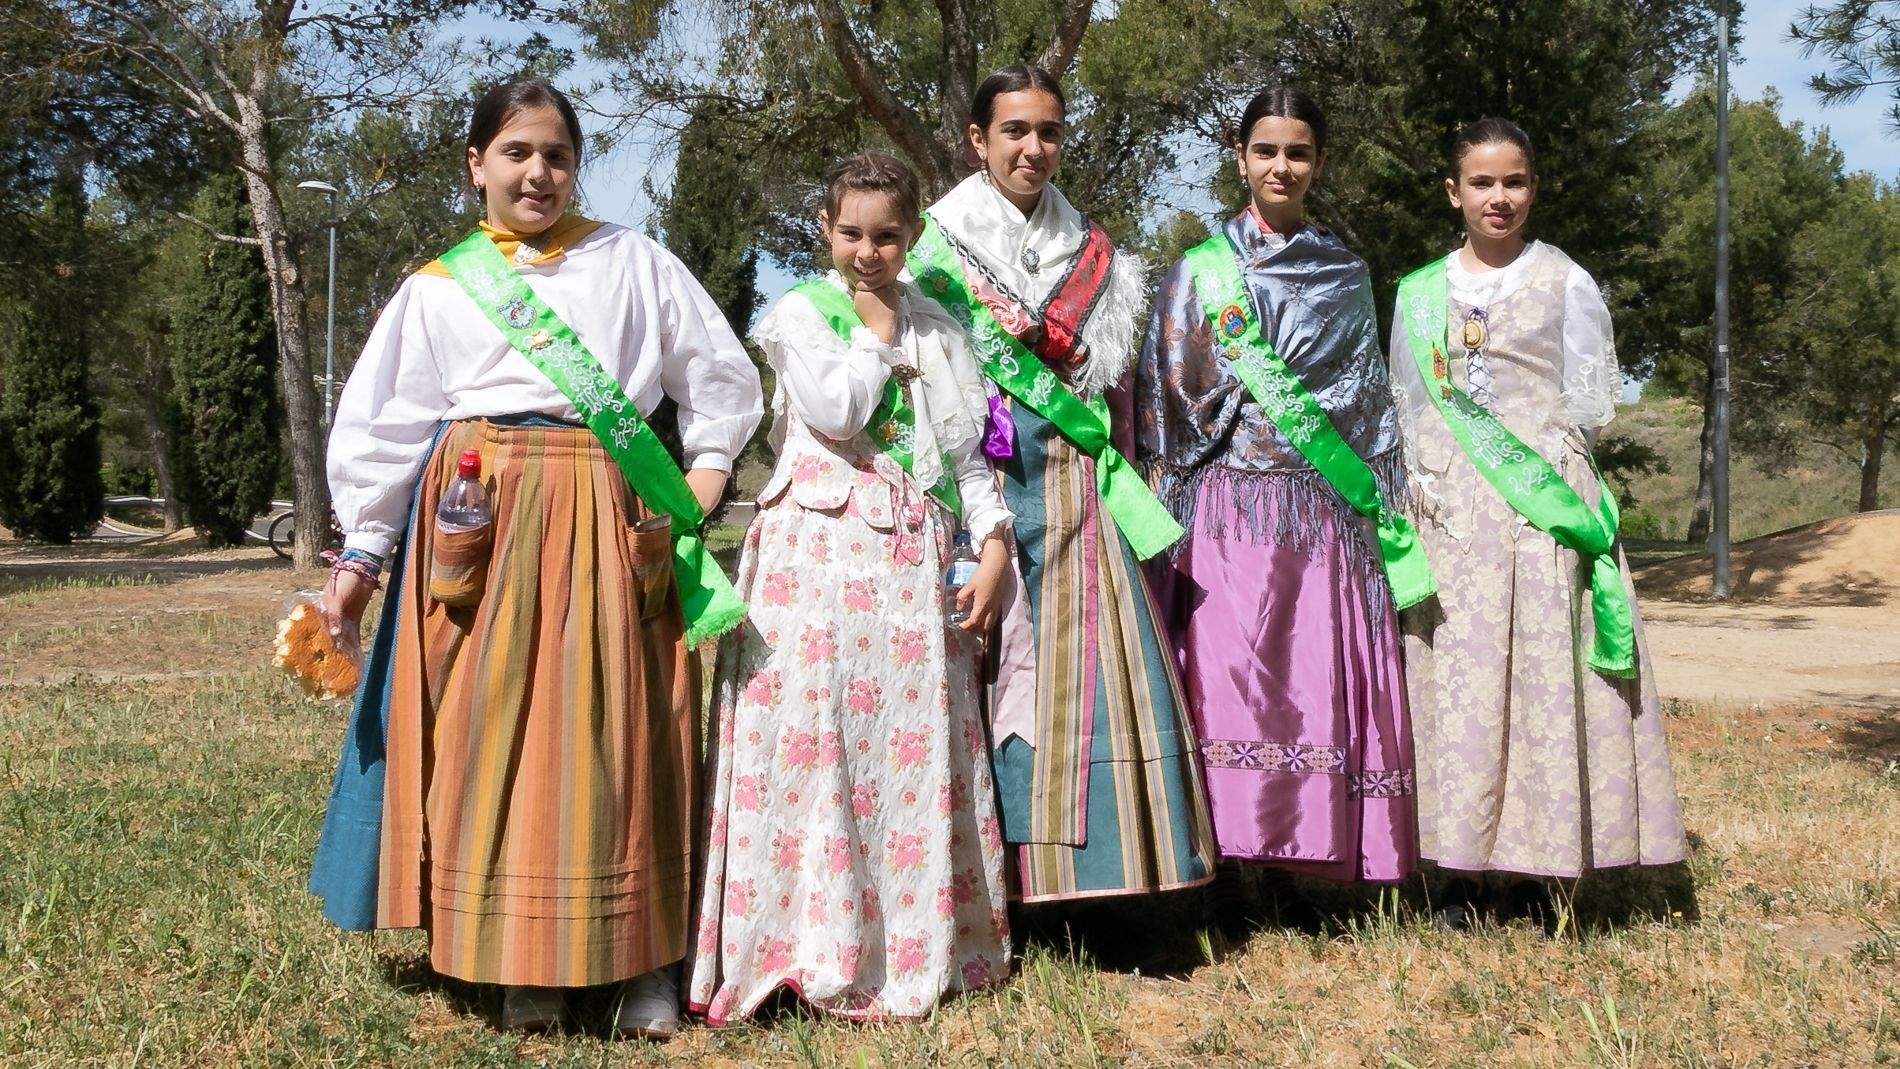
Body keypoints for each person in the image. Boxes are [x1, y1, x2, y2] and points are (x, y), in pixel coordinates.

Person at [306, 76, 763, 1035]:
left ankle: (645, 961)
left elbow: (718, 377)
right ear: (476, 165)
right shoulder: (437, 288)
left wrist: (702, 483)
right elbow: (383, 434)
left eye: (556, 155)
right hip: (483, 519)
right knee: (492, 729)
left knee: (628, 724)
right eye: (516, 153)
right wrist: (357, 570)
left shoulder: (633, 263)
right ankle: (526, 965)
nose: (538, 172)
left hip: (612, 512)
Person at [687, 152, 1014, 1024]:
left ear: (911, 236)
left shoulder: (942, 328)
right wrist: (872, 333)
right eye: (851, 234)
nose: (868, 253)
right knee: (812, 743)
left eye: (887, 236)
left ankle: (903, 947)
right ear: (826, 231)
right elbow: (835, 412)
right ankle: (795, 946)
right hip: (816, 561)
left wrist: (990, 545)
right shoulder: (802, 315)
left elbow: (966, 453)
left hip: (908, 567)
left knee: (899, 754)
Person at [911, 63, 1217, 904]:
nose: (1032, 148)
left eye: (1048, 131)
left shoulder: (1097, 253)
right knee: (982, 662)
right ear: (978, 140)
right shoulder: (932, 245)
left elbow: (1115, 392)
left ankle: (1099, 879)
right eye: (1014, 131)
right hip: (970, 480)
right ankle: (979, 883)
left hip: (1077, 488)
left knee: (1089, 670)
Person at [1389, 118, 1687, 920]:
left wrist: (1551, 487)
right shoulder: (1418, 291)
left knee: (1538, 681)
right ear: (1454, 192)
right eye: (1481, 183)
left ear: (1534, 187)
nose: (1499, 197)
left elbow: (1591, 407)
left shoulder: (1566, 281)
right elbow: (1409, 404)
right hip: (1452, 516)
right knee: (1460, 682)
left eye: (1514, 181)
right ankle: (1458, 868)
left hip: (1539, 512)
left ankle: (1534, 866)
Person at [1136, 87, 1425, 889]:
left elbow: (1368, 403)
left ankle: (1312, 866)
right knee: (1230, 682)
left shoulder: (1346, 273)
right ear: (1240, 157)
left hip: (1317, 509)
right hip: (1224, 508)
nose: (1281, 166)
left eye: (1298, 152)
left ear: (1318, 162)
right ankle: (1226, 864)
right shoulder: (1199, 271)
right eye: (1266, 150)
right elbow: (1166, 395)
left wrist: (1375, 507)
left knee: (1308, 684)